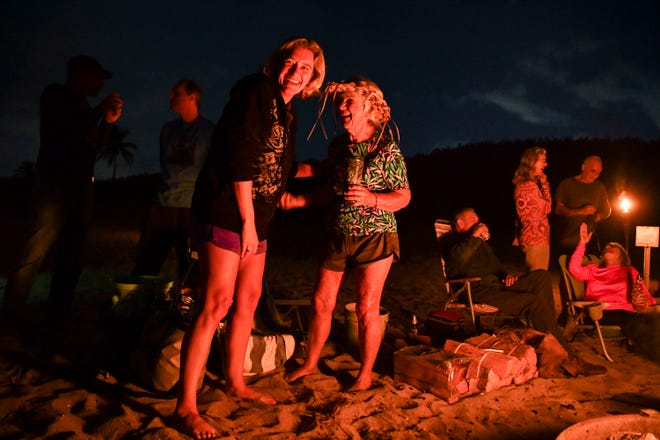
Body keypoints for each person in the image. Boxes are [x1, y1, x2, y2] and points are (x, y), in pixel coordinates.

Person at [171, 37, 325, 440]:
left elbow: (281, 168)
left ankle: (234, 380)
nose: (296, 71)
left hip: (257, 217)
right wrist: (247, 221)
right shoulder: (256, 90)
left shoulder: (286, 110)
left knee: (249, 299)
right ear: (278, 63)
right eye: (291, 62)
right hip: (227, 210)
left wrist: (333, 171)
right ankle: (185, 406)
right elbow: (239, 157)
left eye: (305, 68)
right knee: (216, 301)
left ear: (313, 77)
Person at [282, 77, 411, 391]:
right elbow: (332, 191)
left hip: (376, 235)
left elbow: (404, 197)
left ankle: (364, 375)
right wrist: (298, 201)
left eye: (348, 101)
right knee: (321, 301)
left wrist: (373, 199)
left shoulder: (386, 148)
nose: (340, 107)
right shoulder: (338, 147)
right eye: (338, 101)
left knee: (367, 306)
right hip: (338, 232)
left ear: (368, 107)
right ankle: (311, 363)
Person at [4, 55, 123, 320]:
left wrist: (108, 122)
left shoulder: (83, 106)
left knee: (72, 257)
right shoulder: (55, 95)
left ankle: (57, 313)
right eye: (98, 77)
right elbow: (69, 127)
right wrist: (97, 112)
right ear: (81, 75)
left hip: (80, 190)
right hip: (53, 188)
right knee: (33, 252)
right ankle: (10, 315)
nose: (101, 84)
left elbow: (95, 147)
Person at [439, 208, 607, 376]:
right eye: (473, 219)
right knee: (533, 303)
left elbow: (496, 267)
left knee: (541, 276)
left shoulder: (479, 243)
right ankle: (570, 358)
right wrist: (475, 235)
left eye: (478, 218)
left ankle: (548, 333)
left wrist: (508, 276)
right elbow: (458, 259)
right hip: (475, 290)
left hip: (497, 285)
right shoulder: (450, 241)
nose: (478, 221)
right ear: (460, 223)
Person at [132, 79, 214, 280]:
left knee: (190, 269)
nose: (170, 96)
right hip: (163, 205)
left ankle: (184, 307)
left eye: (176, 93)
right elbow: (164, 166)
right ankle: (140, 304)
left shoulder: (208, 131)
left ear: (192, 98)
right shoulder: (168, 130)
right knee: (146, 265)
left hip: (192, 208)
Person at [569, 222, 656, 339]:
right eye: (606, 248)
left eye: (613, 247)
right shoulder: (593, 269)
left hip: (625, 312)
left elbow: (645, 295)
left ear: (622, 255)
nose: (608, 247)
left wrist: (643, 301)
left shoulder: (629, 271)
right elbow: (574, 269)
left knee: (644, 319)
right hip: (598, 313)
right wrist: (582, 244)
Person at [554, 155, 611, 255]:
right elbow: (558, 210)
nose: (595, 176)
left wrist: (598, 217)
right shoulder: (567, 184)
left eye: (598, 173)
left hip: (590, 241)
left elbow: (607, 210)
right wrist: (580, 211)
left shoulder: (599, 187)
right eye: (593, 171)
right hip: (568, 240)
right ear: (583, 167)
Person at [512, 147, 551, 271]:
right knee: (537, 279)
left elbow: (519, 216)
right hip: (536, 240)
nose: (546, 164)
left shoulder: (522, 184)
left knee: (534, 277)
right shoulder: (529, 186)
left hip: (531, 238)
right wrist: (545, 186)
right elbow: (547, 208)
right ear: (532, 162)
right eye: (543, 160)